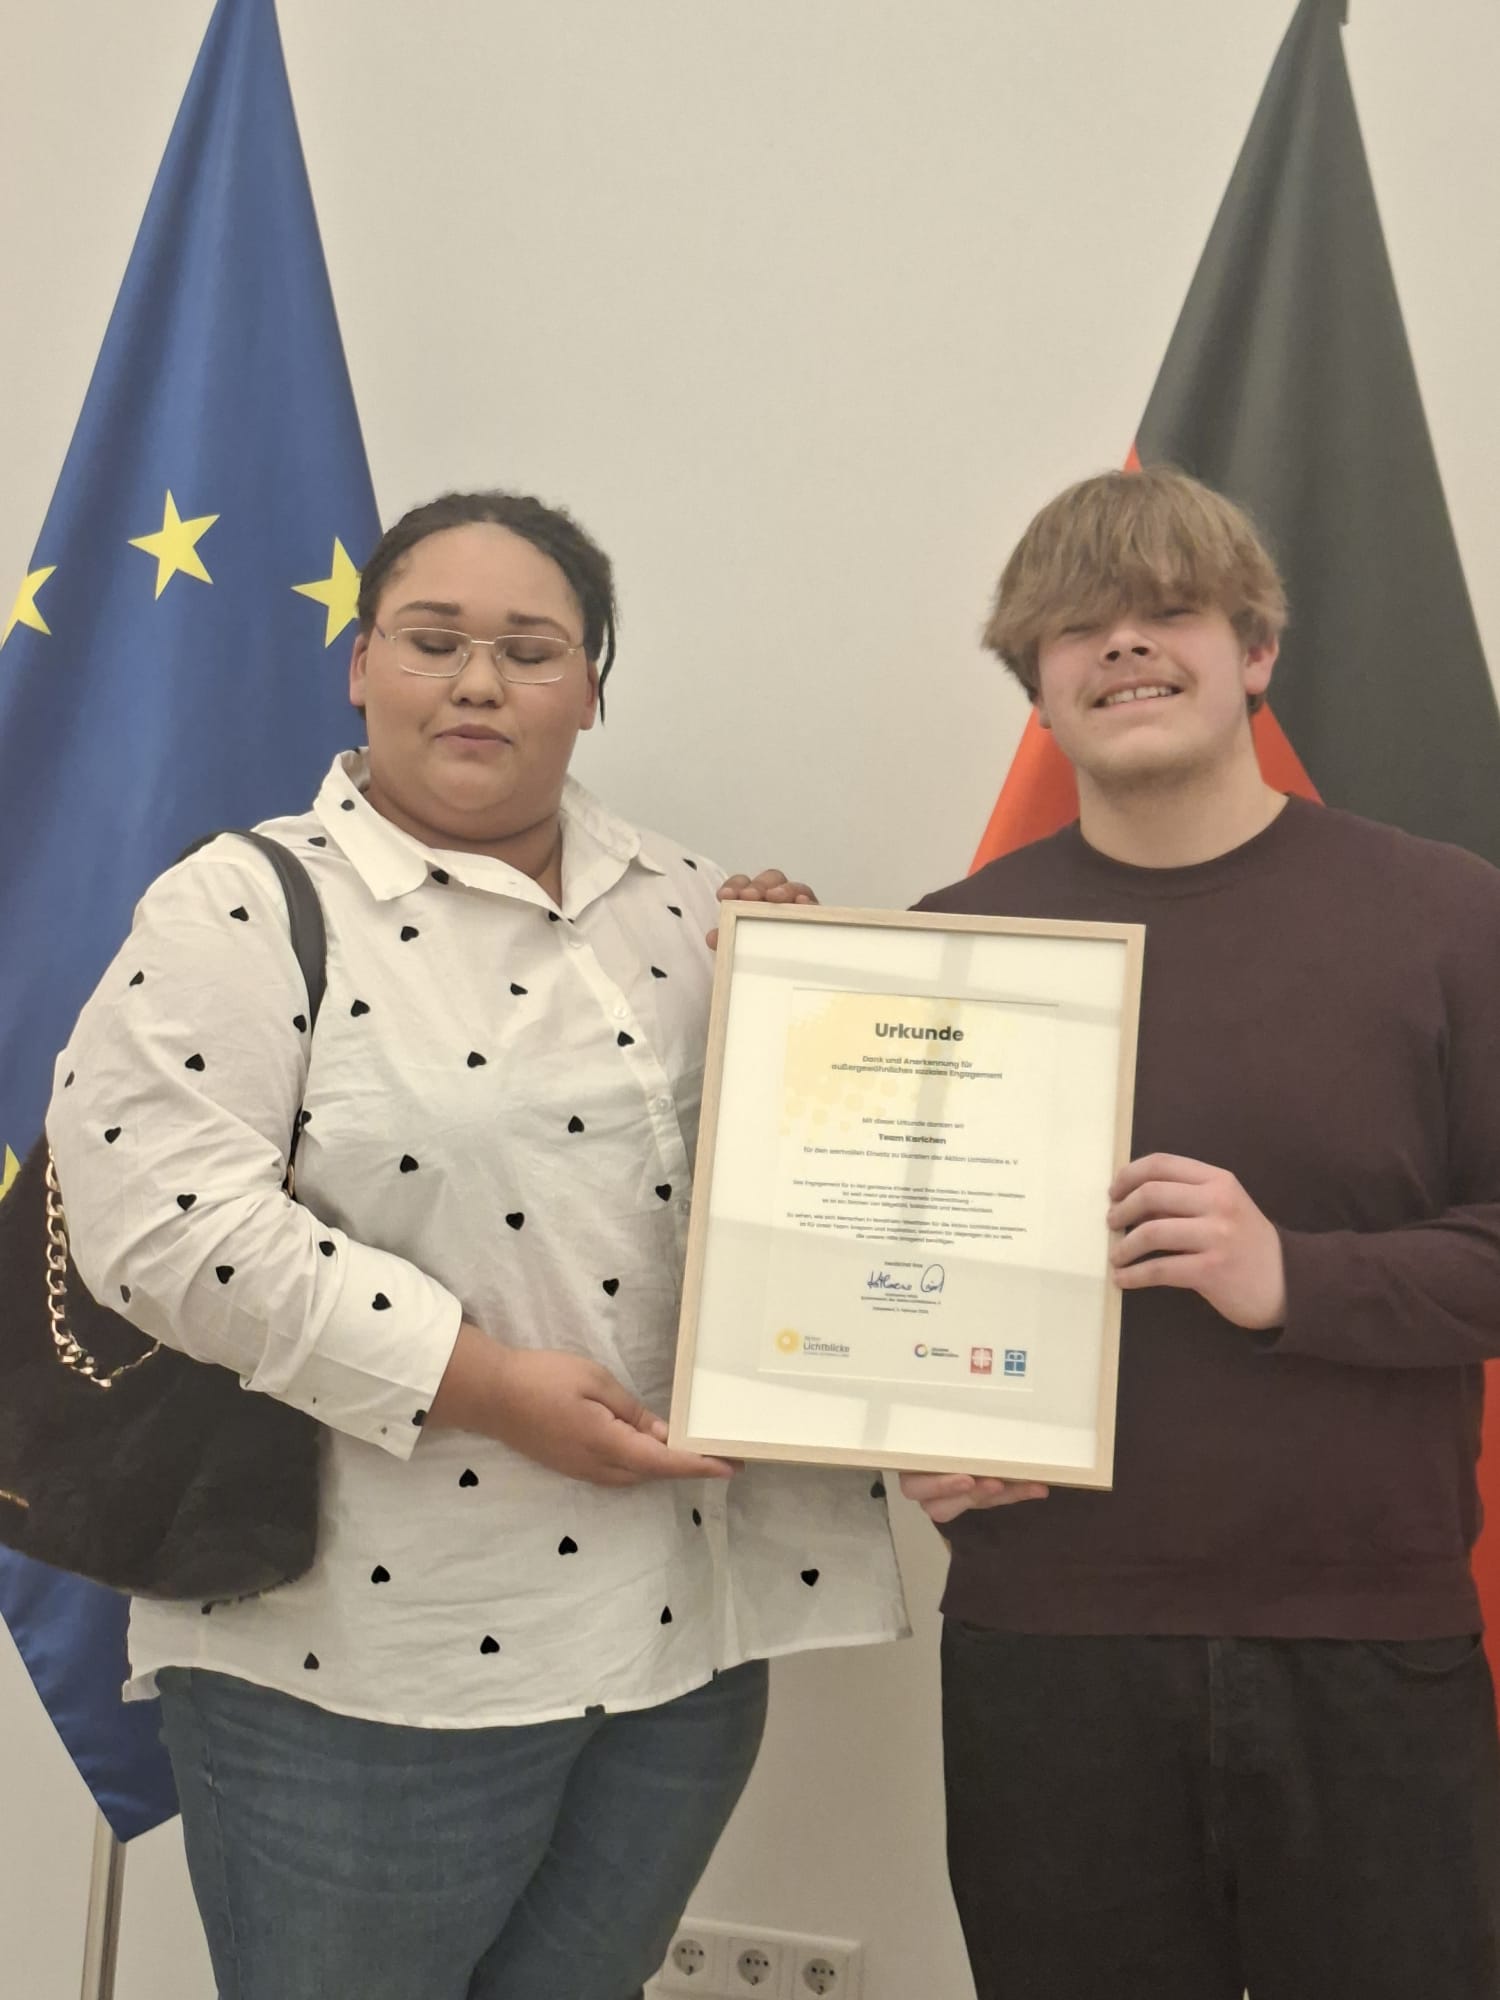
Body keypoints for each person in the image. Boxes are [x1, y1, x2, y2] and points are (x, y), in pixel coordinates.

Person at [47, 490, 907, 2000]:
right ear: (360, 665)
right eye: (433, 640)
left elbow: (786, 1196)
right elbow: (165, 1227)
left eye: (530, 649)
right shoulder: (242, 903)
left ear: (592, 688)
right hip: (369, 1666)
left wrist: (810, 1006)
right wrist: (487, 1384)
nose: (479, 681)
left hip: (686, 1641)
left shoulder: (691, 902)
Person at [901, 465, 1500, 2000]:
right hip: (1049, 1646)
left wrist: (1292, 1273)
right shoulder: (946, 948)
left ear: (1258, 651)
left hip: (1365, 1640)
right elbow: (891, 1275)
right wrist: (903, 1415)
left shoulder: (1452, 917)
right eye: (1078, 624)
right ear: (1035, 682)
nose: (1124, 644)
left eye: (1169, 610)